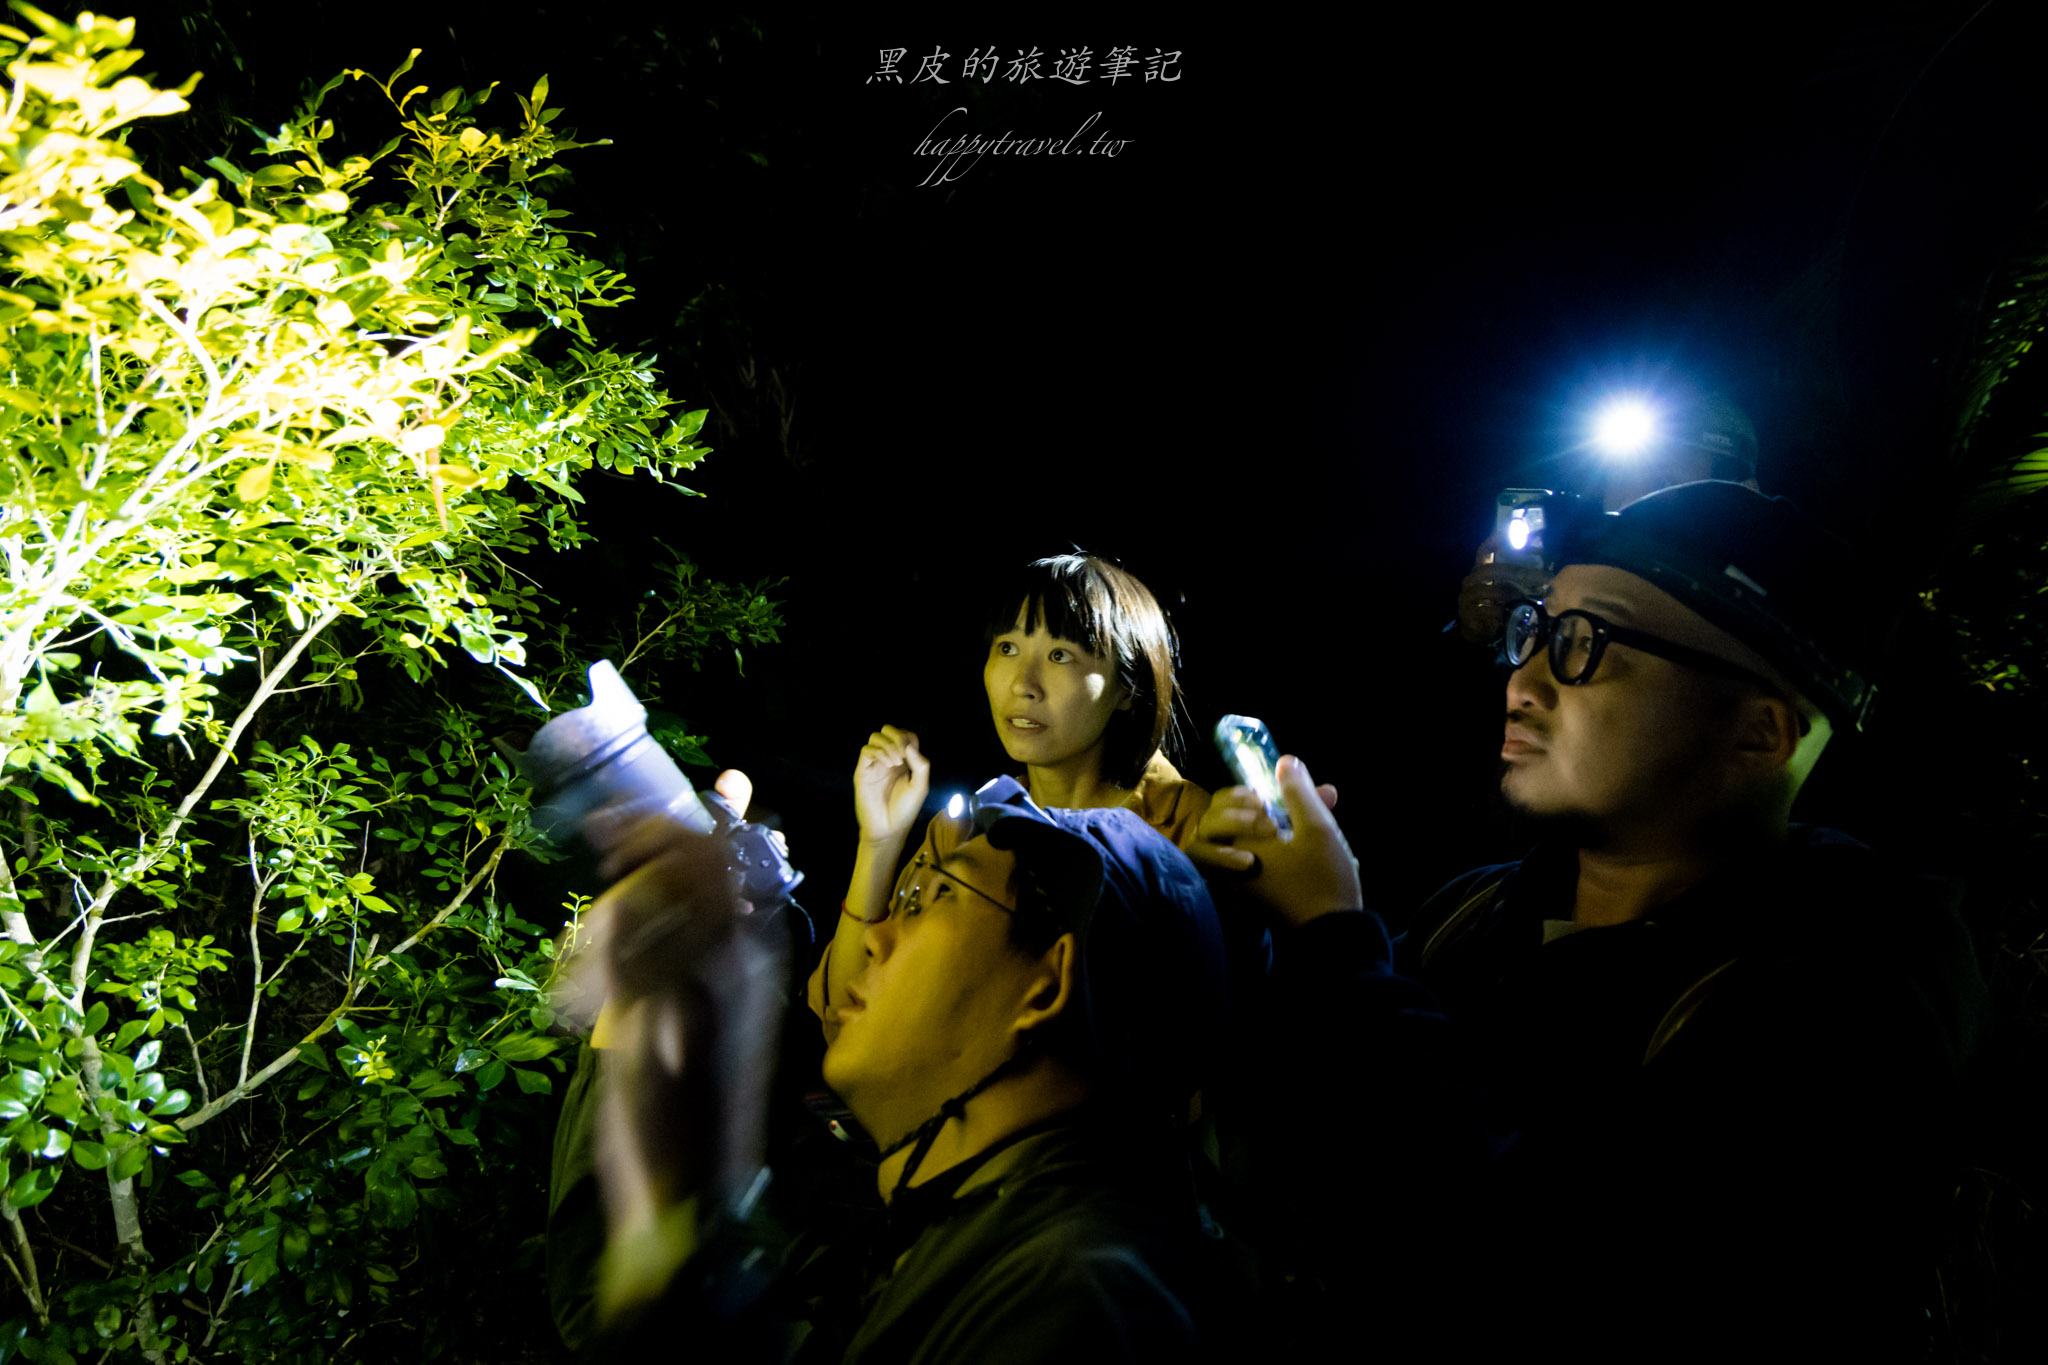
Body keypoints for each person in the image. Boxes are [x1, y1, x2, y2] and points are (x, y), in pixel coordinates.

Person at [1209, 480, 1987, 1360]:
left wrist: (1336, 946)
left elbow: (1545, 1285)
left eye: (1587, 645)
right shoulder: (1474, 914)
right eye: (1536, 630)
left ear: (1761, 735)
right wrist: (1260, 930)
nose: (1525, 679)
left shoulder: (1847, 1005)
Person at [578, 775, 1240, 1361]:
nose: (876, 934)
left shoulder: (1079, 1298)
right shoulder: (953, 1241)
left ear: (1045, 986)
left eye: (929, 898)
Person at [810, 553, 1209, 1041]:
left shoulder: (1189, 832)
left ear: (1129, 687)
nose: (1023, 684)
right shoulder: (967, 832)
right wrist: (879, 841)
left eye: (1060, 655)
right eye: (1007, 647)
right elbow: (848, 1022)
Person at [1454, 389, 1761, 647]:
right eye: (1622, 476)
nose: (1630, 504)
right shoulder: (1566, 578)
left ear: (1741, 497)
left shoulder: (1766, 615)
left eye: (1664, 483)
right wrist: (1489, 636)